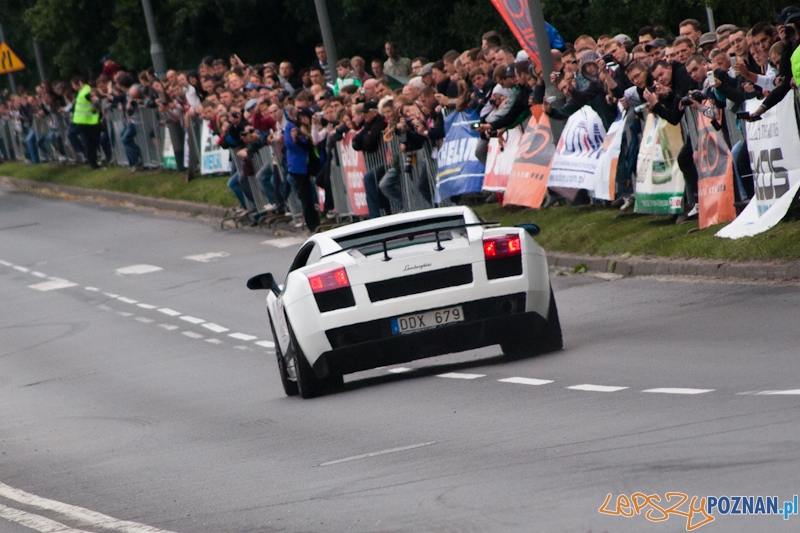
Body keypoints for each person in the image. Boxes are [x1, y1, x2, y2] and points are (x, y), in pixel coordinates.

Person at [284, 107, 320, 231]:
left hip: (312, 163)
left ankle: (324, 213)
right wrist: (302, 144)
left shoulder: (310, 127)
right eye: (299, 118)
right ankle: (313, 224)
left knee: (321, 182)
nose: (302, 119)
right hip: (298, 165)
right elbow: (289, 144)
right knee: (305, 196)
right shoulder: (290, 127)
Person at [70, 76, 101, 169]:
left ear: (80, 82)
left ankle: (91, 161)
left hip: (85, 120)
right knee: (91, 142)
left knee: (89, 142)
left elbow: (93, 101)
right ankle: (92, 162)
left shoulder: (85, 91)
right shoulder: (84, 91)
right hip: (87, 121)